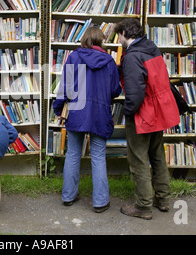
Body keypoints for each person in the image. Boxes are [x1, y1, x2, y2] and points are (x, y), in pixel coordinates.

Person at [114, 18, 180, 220]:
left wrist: (127, 111)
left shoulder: (132, 56)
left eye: (118, 35)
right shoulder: (152, 49)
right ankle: (163, 200)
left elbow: (135, 91)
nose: (118, 40)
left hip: (143, 113)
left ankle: (143, 206)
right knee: (157, 155)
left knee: (138, 159)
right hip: (159, 110)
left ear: (125, 32)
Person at [53, 26, 122, 213]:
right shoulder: (109, 61)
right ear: (101, 41)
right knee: (98, 156)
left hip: (76, 112)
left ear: (85, 39)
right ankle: (100, 202)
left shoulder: (74, 58)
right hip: (100, 113)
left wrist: (58, 108)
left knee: (73, 154)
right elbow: (116, 90)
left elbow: (65, 87)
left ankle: (68, 196)